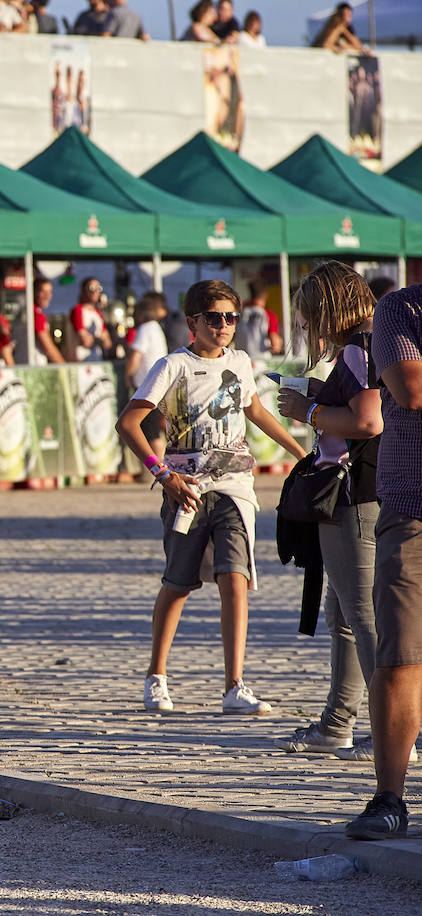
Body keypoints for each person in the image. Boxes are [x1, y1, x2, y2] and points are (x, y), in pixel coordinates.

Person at [116, 279, 306, 714]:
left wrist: (299, 452)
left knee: (235, 579)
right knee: (178, 583)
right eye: (214, 318)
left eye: (231, 318)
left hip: (236, 487)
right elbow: (129, 423)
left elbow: (254, 410)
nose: (224, 326)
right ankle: (156, 677)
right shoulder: (171, 366)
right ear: (192, 322)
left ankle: (234, 685)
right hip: (186, 489)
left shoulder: (240, 361)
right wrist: (163, 476)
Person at [272, 263, 387, 760]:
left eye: (306, 318)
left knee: (365, 618)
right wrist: (319, 392)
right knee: (343, 612)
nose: (305, 329)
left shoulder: (359, 349)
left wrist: (308, 412)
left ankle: (393, 729)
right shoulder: (364, 347)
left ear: (325, 308)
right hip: (356, 496)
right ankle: (338, 722)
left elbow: (368, 419)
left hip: (356, 497)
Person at [343, 281, 422, 840]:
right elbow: (411, 388)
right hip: (413, 504)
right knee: (399, 655)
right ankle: (389, 798)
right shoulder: (401, 306)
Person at [125, 292, 170, 458]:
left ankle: (161, 471)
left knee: (150, 432)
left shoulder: (145, 329)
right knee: (156, 430)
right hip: (158, 384)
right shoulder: (157, 328)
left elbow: (136, 355)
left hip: (147, 386)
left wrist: (128, 376)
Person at [18, 278, 66, 365]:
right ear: (34, 292)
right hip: (35, 366)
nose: (47, 296)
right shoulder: (36, 315)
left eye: (50, 292)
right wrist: (65, 367)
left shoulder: (24, 312)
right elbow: (48, 348)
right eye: (43, 292)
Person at [234, 279, 282, 359]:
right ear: (266, 294)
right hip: (261, 361)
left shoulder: (239, 313)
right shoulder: (268, 315)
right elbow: (275, 344)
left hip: (242, 359)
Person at [67, 277, 112, 362]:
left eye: (98, 288)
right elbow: (85, 341)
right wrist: (100, 339)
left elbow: (108, 343)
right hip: (80, 360)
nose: (95, 292)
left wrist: (94, 339)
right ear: (83, 291)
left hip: (96, 360)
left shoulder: (97, 313)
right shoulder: (77, 310)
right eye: (91, 288)